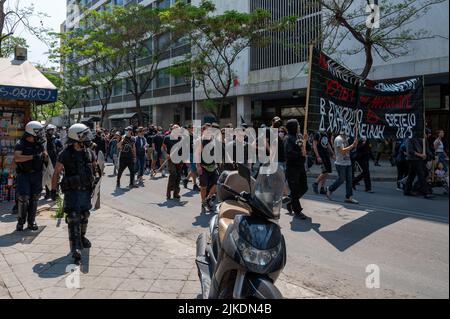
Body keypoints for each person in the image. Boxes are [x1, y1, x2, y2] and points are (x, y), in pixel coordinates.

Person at [51, 123, 98, 264]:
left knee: (85, 215)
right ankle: (75, 248)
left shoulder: (89, 152)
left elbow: (95, 167)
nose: (87, 138)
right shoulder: (65, 154)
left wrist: (95, 179)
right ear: (76, 137)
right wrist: (53, 191)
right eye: (84, 135)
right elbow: (56, 173)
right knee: (73, 217)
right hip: (72, 192)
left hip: (85, 191)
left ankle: (82, 238)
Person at [14, 121, 47, 231]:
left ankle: (31, 222)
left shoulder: (39, 142)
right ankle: (20, 222)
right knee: (23, 197)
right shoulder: (21, 143)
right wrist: (32, 157)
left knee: (35, 198)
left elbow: (44, 155)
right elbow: (17, 158)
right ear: (32, 132)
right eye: (38, 131)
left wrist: (45, 156)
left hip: (37, 174)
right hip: (24, 174)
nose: (40, 134)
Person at [326, 127, 359, 204]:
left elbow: (348, 150)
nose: (348, 133)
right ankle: (330, 189)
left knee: (349, 181)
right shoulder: (339, 139)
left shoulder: (345, 139)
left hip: (348, 163)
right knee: (341, 180)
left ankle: (349, 197)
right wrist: (352, 145)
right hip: (340, 164)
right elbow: (343, 151)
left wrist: (354, 145)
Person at [284, 119, 308, 219]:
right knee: (294, 190)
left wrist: (305, 141)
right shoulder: (288, 138)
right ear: (293, 127)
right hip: (292, 168)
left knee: (304, 187)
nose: (299, 126)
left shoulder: (299, 136)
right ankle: (297, 210)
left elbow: (305, 149)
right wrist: (300, 154)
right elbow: (289, 153)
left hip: (301, 167)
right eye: (297, 125)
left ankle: (291, 202)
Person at [197, 123, 219, 212]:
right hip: (203, 166)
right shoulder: (199, 141)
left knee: (217, 183)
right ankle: (203, 202)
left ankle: (208, 198)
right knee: (203, 187)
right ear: (202, 131)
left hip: (213, 166)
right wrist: (198, 166)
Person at [163, 125, 183, 200]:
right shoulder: (167, 137)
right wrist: (166, 154)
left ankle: (176, 193)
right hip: (171, 159)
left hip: (180, 159)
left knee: (178, 176)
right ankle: (169, 192)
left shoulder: (181, 138)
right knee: (173, 174)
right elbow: (163, 147)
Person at [312, 129, 334, 195]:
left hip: (326, 155)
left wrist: (332, 153)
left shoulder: (326, 134)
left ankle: (322, 188)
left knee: (327, 172)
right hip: (321, 155)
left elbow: (328, 144)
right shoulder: (317, 134)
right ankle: (315, 183)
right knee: (325, 171)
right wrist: (318, 156)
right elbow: (314, 145)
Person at [44, 124, 58, 199]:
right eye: (50, 130)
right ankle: (47, 193)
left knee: (55, 176)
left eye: (52, 130)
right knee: (47, 176)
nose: (51, 131)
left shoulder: (55, 138)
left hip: (54, 159)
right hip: (46, 160)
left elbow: (59, 147)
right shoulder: (44, 138)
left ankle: (54, 192)